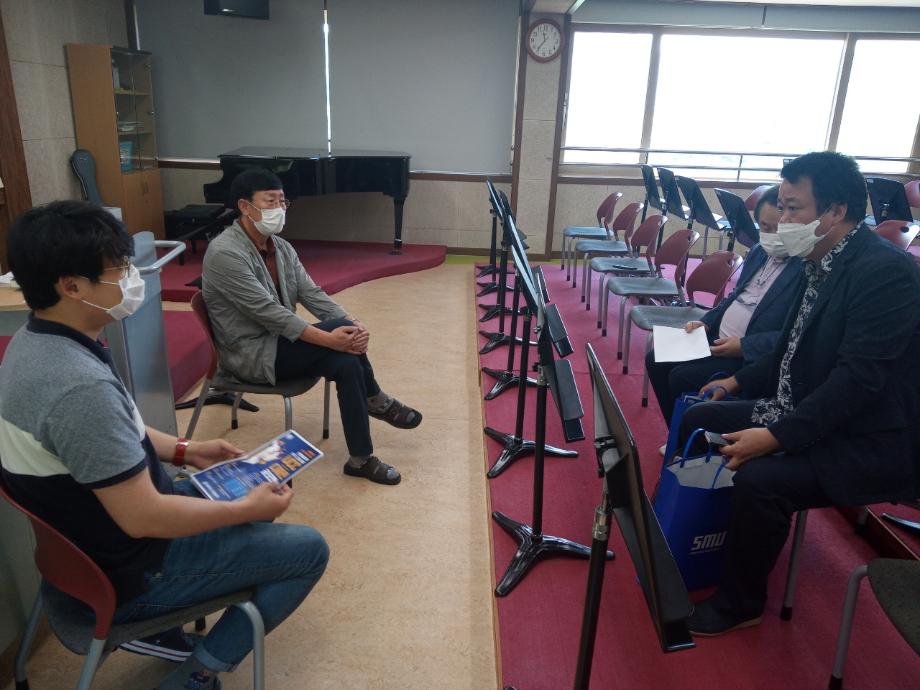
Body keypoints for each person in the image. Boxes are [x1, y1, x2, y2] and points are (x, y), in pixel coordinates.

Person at [0, 201, 329, 690]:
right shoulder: (78, 386)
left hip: (92, 542)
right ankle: (196, 674)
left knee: (247, 490)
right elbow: (144, 517)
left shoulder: (37, 343)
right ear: (71, 286)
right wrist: (243, 511)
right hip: (131, 570)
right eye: (119, 269)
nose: (131, 279)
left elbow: (117, 429)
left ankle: (183, 625)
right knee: (308, 551)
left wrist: (184, 450)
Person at [678, 152, 920, 636]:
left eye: (793, 208)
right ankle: (692, 537)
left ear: (835, 212)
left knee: (760, 479)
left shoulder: (884, 272)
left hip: (865, 435)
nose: (782, 219)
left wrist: (774, 438)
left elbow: (857, 383)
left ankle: (740, 602)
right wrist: (737, 381)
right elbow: (791, 347)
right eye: (782, 207)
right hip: (803, 407)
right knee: (698, 417)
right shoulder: (820, 259)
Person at [202, 168, 421, 486]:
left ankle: (360, 459)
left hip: (282, 344)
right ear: (245, 206)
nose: (279, 208)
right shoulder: (225, 253)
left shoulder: (281, 247)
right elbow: (270, 314)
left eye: (283, 201)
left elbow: (312, 294)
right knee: (341, 342)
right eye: (270, 201)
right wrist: (332, 339)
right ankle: (375, 399)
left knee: (347, 363)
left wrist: (354, 326)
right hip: (251, 354)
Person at [645, 185, 804, 427]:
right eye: (765, 228)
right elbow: (734, 296)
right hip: (718, 338)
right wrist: (706, 322)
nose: (772, 236)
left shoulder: (804, 269)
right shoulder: (760, 251)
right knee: (655, 358)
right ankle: (676, 432)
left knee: (680, 377)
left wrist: (744, 346)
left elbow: (795, 337)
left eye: (778, 229)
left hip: (749, 356)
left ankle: (688, 435)